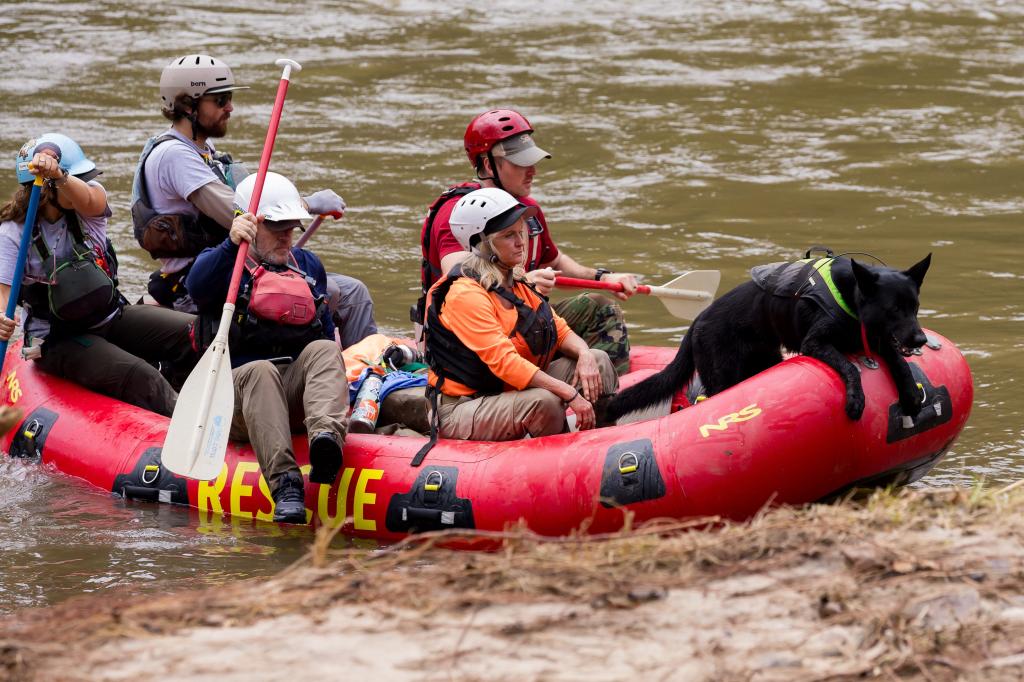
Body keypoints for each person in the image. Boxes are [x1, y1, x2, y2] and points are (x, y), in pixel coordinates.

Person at [133, 53, 376, 347]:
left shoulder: (203, 148)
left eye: (229, 98)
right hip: (202, 281)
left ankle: (365, 372)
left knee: (355, 293)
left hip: (242, 265)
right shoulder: (174, 155)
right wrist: (307, 204)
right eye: (220, 100)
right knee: (333, 292)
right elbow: (241, 212)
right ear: (187, 105)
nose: (230, 107)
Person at [417, 108, 638, 374]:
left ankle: (605, 391)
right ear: (488, 164)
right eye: (520, 163)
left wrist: (602, 278)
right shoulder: (459, 213)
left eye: (532, 161)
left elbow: (555, 260)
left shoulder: (526, 211)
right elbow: (459, 276)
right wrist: (521, 282)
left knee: (600, 308)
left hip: (520, 315)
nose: (532, 170)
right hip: (465, 333)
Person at [186, 171, 348, 524]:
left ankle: (325, 440)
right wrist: (232, 245)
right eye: (276, 228)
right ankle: (285, 484)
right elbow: (195, 286)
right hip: (235, 400)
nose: (287, 237)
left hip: (289, 395)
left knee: (324, 348)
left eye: (291, 227)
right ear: (247, 223)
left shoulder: (306, 266)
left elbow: (328, 331)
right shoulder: (222, 263)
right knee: (261, 371)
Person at [0, 134, 195, 416]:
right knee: (141, 375)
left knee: (195, 333)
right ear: (46, 191)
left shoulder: (87, 207)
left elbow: (91, 198)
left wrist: (60, 175)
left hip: (110, 316)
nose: (84, 182)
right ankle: (182, 425)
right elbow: (3, 295)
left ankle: (194, 402)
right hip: (57, 340)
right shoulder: (12, 233)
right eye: (70, 178)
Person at [419, 187, 618, 451]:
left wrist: (583, 354)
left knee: (599, 360)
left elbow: (558, 329)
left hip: (505, 392)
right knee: (544, 401)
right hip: (462, 408)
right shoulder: (464, 293)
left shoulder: (515, 280)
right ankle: (564, 462)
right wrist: (569, 393)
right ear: (483, 243)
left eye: (521, 231)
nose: (521, 241)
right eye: (508, 235)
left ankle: (604, 445)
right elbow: (506, 364)